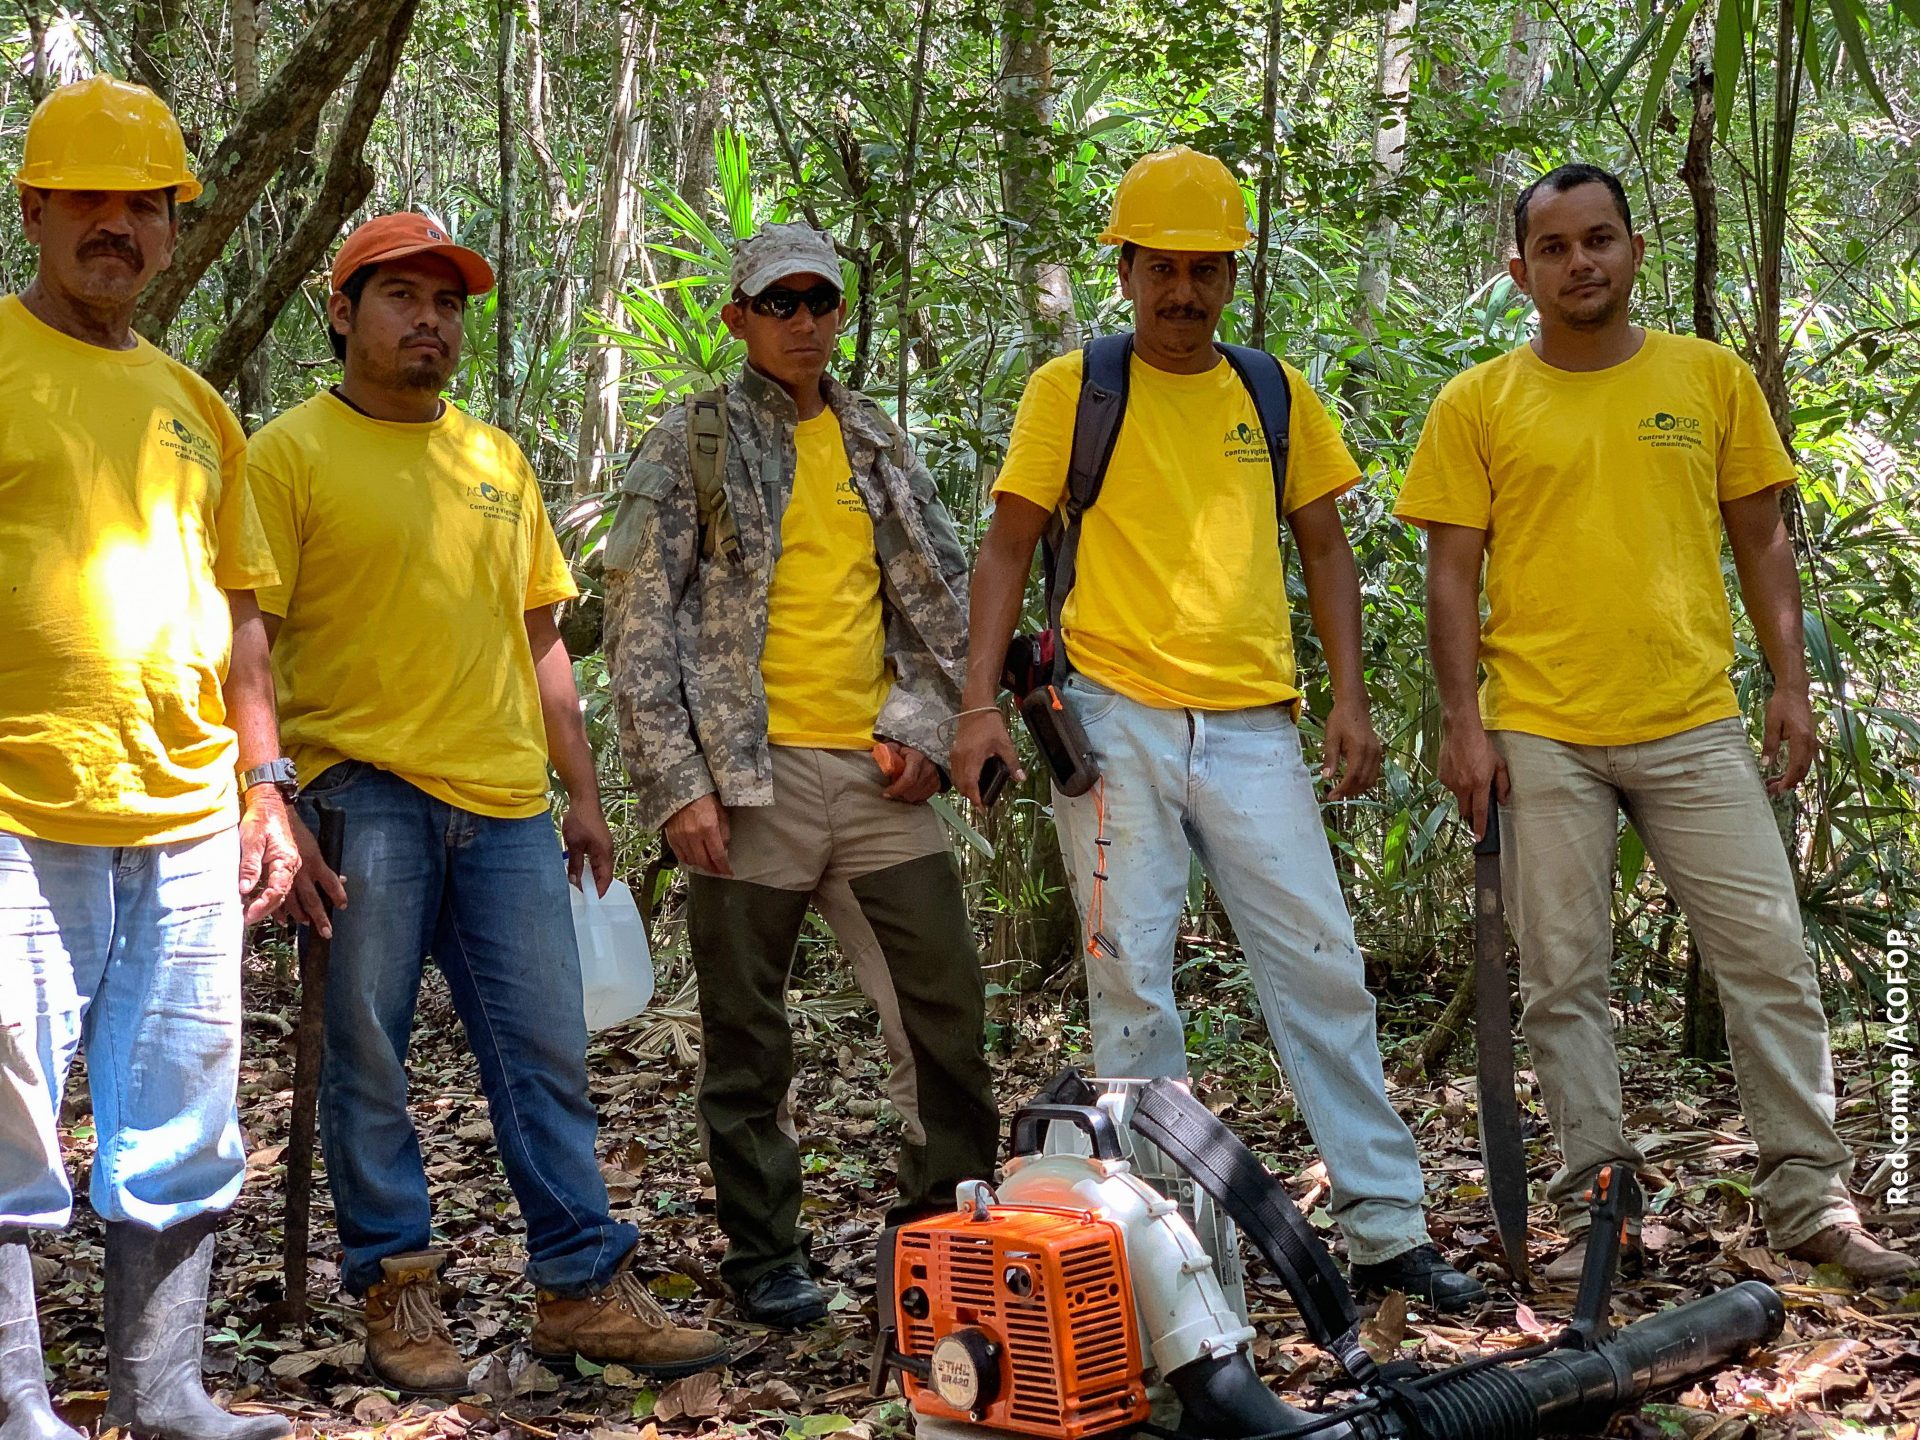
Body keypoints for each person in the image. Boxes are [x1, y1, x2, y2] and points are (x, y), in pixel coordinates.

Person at [949, 147, 1481, 1311]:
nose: (1182, 294)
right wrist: (978, 706)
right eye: (1161, 270)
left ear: (1232, 277)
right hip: (1108, 714)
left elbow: (1325, 547)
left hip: (1253, 726)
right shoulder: (1073, 389)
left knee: (1324, 969)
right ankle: (1174, 1261)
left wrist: (1348, 697)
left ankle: (1389, 1230)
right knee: (1132, 983)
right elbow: (1005, 546)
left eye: (1205, 272)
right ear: (1126, 271)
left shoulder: (1272, 390)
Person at [1395, 162, 1912, 1284]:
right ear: (1520, 269)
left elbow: (1761, 536)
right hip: (1539, 724)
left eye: (1600, 239)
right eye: (1555, 247)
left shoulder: (1710, 378)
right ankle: (1601, 1203)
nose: (1581, 262)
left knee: (1770, 958)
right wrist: (1462, 722)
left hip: (1692, 718)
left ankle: (1811, 1203)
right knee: (1564, 979)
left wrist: (1792, 683)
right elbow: (1450, 575)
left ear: (1635, 250)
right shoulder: (1479, 403)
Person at [248, 212, 728, 1391]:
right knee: (368, 1051)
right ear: (342, 310)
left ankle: (578, 1285)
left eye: (447, 303)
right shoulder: (290, 453)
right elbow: (245, 634)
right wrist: (270, 793)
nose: (428, 321)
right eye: (401, 295)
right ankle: (396, 1291)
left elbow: (543, 641)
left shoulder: (496, 458)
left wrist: (585, 793)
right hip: (363, 793)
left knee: (543, 1050)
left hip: (508, 805)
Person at [602, 221, 999, 1329]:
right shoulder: (695, 443)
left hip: (877, 786)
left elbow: (941, 597)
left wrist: (927, 724)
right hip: (748, 780)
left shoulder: (874, 440)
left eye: (821, 302)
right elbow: (639, 622)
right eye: (780, 303)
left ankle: (939, 1238)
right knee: (746, 1040)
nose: (804, 323)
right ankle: (768, 1257)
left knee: (943, 1016)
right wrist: (675, 783)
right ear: (737, 319)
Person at [0, 76, 298, 1440]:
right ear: (36, 208)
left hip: (182, 813)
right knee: (6, 1110)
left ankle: (166, 1395)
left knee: (183, 1111)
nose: (117, 226)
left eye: (145, 205)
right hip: (16, 806)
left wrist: (264, 783)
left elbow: (243, 613)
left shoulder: (193, 403)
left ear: (175, 232)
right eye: (92, 199)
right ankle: (17, 1405)